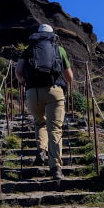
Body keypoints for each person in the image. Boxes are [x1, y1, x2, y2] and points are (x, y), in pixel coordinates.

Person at [15, 24, 73, 180]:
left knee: (40, 122)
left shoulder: (28, 50)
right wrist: (68, 86)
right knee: (54, 129)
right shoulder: (59, 49)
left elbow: (18, 71)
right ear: (52, 35)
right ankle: (56, 169)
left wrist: (23, 83)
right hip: (54, 91)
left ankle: (41, 150)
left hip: (33, 92)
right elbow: (69, 76)